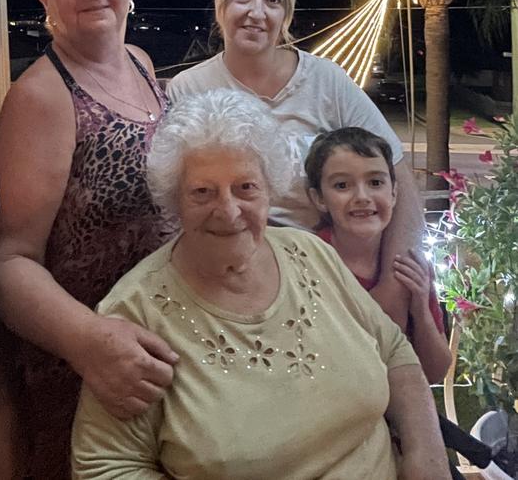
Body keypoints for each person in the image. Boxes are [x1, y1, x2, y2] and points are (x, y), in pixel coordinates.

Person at [71, 89, 451, 480]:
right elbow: (104, 466)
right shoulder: (135, 312)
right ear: (174, 200)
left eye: (246, 188)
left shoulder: (310, 254)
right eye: (203, 192)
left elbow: (394, 351)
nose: (229, 210)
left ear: (270, 190)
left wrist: (427, 457)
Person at [0, 0, 179, 480]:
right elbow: (8, 261)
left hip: (162, 347)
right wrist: (89, 341)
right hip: (88, 368)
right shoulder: (40, 98)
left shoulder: (142, 65)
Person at [167, 0, 425, 328]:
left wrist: (393, 285)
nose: (257, 12)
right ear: (220, 5)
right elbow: (177, 202)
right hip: (230, 282)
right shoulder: (189, 89)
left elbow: (398, 175)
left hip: (333, 280)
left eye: (273, 0)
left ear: (286, 14)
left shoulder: (327, 82)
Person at [304, 127, 451, 384]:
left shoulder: (409, 264)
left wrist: (420, 310)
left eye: (375, 183)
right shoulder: (308, 262)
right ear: (319, 198)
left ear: (394, 193)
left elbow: (436, 373)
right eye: (342, 185)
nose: (362, 197)